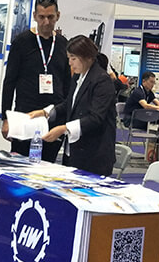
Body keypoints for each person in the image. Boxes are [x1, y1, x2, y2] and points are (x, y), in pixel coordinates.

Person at [28, 35, 117, 176]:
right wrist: (45, 112)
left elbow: (96, 118)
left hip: (95, 155)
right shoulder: (78, 76)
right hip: (75, 150)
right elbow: (69, 104)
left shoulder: (102, 81)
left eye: (73, 58)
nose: (70, 63)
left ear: (87, 57)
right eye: (69, 58)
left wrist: (64, 128)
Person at [1, 0, 70, 159]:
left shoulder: (63, 44)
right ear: (34, 16)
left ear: (58, 16)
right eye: (42, 17)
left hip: (53, 117)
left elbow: (67, 83)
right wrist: (5, 118)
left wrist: (66, 117)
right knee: (20, 163)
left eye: (50, 17)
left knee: (48, 164)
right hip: (26, 115)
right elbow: (9, 82)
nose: (46, 22)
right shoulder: (21, 42)